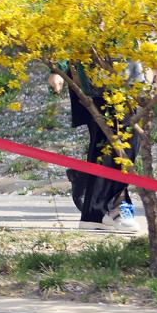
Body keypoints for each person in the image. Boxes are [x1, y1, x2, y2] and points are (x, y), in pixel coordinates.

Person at [49, 65, 139, 232]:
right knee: (117, 138)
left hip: (126, 71)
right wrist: (58, 68)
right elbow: (68, 39)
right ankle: (112, 206)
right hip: (95, 75)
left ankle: (94, 212)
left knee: (115, 140)